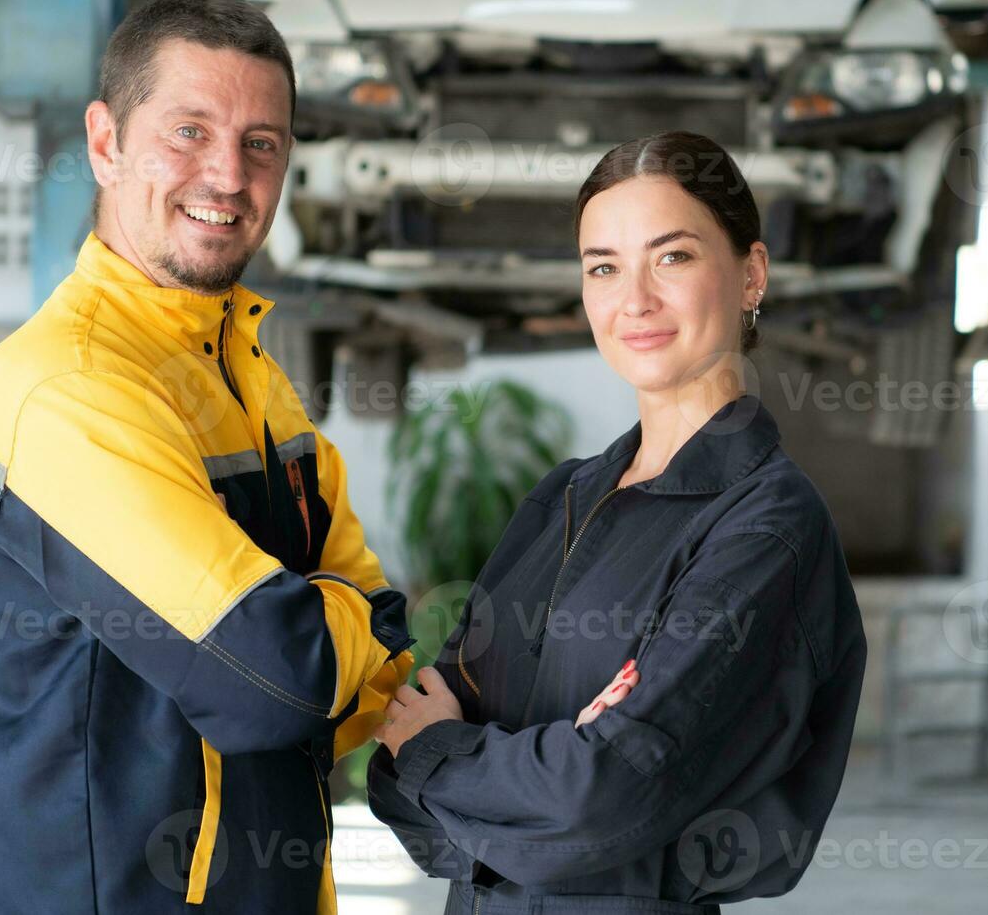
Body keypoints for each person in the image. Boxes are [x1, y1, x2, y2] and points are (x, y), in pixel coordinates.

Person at [0, 0, 413, 914]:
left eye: (261, 144)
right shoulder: (64, 390)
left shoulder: (252, 381)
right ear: (105, 141)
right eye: (189, 132)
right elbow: (279, 686)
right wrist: (321, 639)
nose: (229, 176)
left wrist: (322, 639)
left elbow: (378, 653)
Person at [367, 131, 868, 913]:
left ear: (750, 275)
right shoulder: (562, 497)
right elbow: (402, 780)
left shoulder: (766, 526)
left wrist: (451, 757)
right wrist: (500, 777)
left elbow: (601, 799)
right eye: (603, 266)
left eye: (672, 257)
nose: (633, 300)